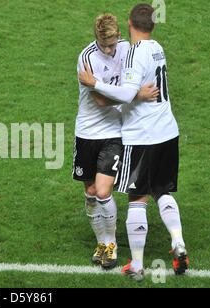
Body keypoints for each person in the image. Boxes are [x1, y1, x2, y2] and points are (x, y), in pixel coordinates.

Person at [79, 3, 189, 281]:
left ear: (129, 24)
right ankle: (178, 242)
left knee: (136, 198)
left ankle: (137, 265)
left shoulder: (133, 53)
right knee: (162, 191)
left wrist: (94, 83)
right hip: (168, 131)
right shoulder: (158, 47)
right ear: (153, 25)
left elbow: (127, 95)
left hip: (142, 135)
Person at [73, 13, 159, 270]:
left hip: (114, 132)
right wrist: (135, 96)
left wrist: (136, 93)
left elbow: (137, 81)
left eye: (111, 44)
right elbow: (99, 100)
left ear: (119, 35)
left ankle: (110, 245)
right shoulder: (87, 57)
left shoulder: (126, 50)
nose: (108, 50)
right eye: (103, 45)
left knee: (102, 191)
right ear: (96, 39)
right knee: (90, 194)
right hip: (87, 132)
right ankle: (101, 243)